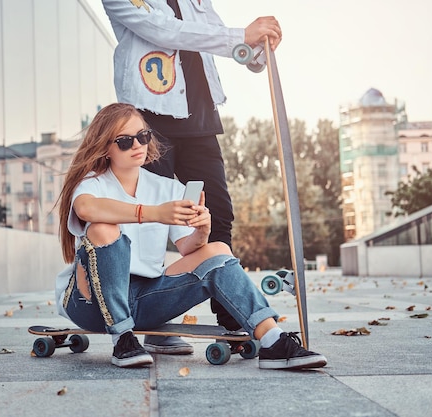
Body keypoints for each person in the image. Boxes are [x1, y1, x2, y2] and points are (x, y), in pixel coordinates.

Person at [54, 103, 326, 370]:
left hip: (145, 301)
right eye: (125, 141)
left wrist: (201, 231)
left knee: (217, 250)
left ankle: (273, 340)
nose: (137, 145)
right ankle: (122, 339)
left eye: (143, 136)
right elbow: (86, 208)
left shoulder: (168, 187)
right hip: (89, 304)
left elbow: (188, 248)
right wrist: (155, 213)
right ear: (105, 148)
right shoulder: (93, 182)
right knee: (103, 228)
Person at [100, 0, 283, 352]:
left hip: (200, 115)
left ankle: (232, 314)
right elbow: (165, 30)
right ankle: (148, 318)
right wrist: (238, 36)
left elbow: (215, 35)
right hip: (149, 118)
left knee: (218, 212)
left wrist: (257, 48)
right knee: (151, 224)